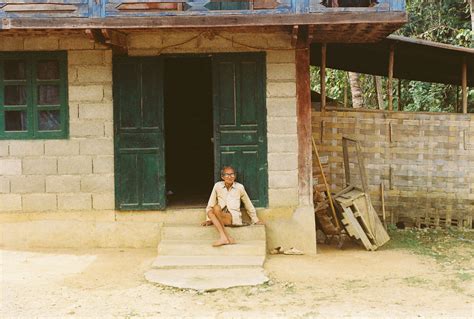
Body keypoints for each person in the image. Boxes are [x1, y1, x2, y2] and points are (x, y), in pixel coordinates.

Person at [202, 166, 264, 246]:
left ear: (235, 176)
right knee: (213, 209)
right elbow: (211, 202)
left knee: (216, 209)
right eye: (227, 175)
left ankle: (224, 237)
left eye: (232, 174)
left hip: (233, 217)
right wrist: (208, 219)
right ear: (222, 177)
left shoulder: (239, 187)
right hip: (220, 213)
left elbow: (248, 203)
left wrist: (255, 219)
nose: (230, 177)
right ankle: (226, 237)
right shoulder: (217, 186)